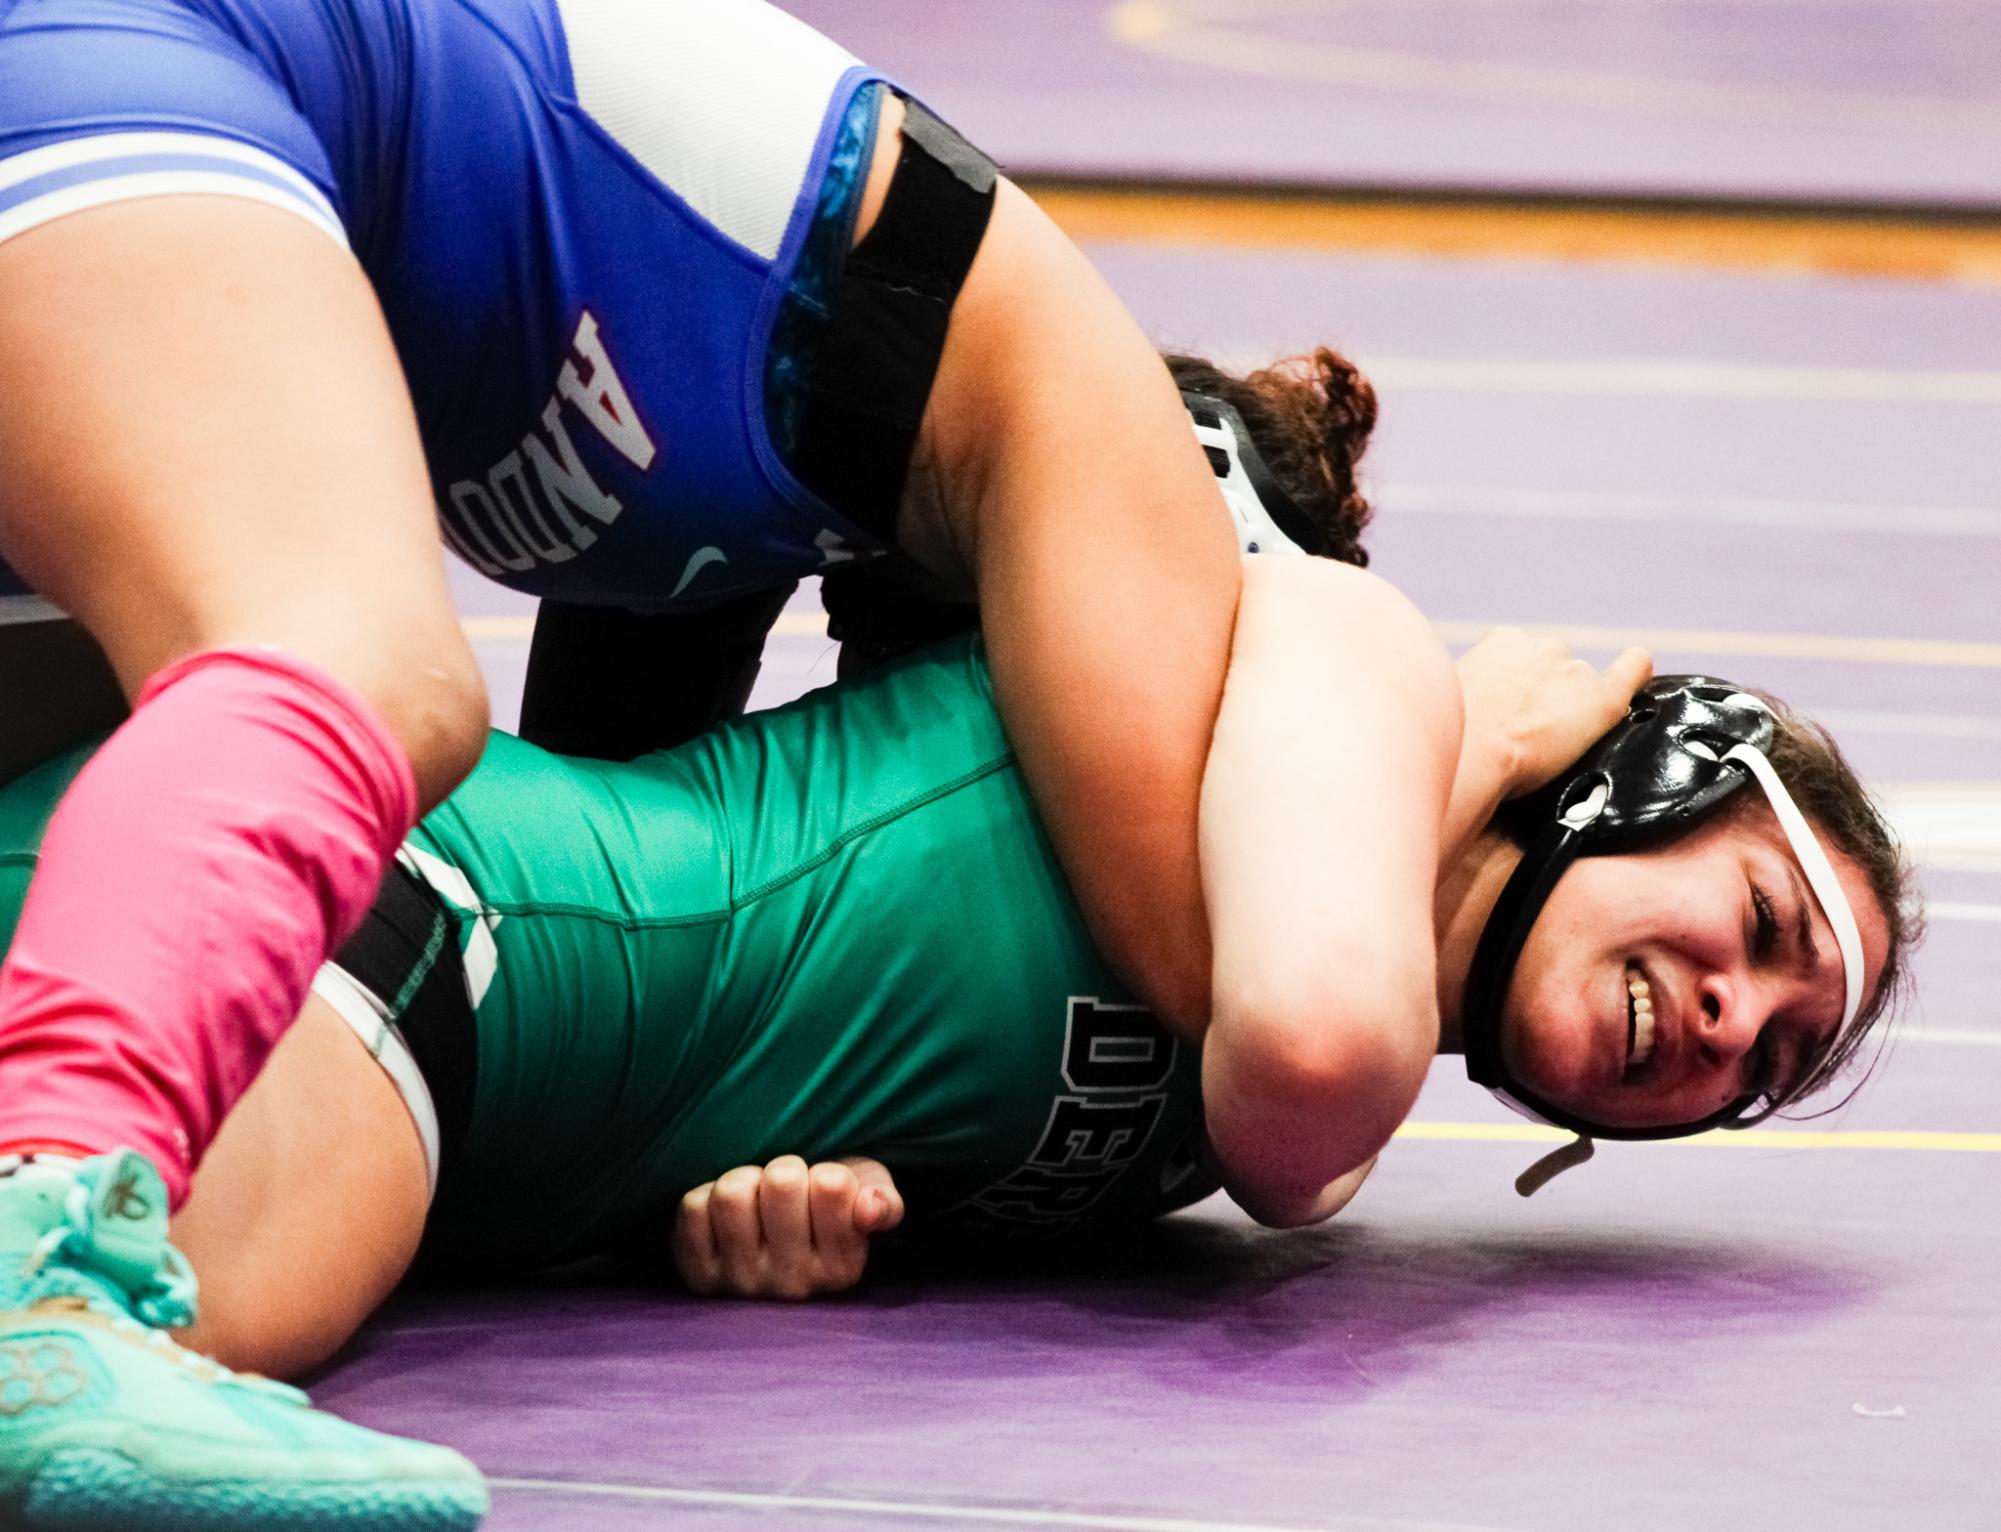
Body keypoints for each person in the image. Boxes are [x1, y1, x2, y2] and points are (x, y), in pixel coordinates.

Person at [0, 0, 1377, 1512]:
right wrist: (1466, 745)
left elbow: (629, 984)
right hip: (129, 64)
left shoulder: (734, 514)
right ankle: (46, 1273)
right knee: (354, 664)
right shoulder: (1081, 410)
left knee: (130, 825)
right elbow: (1250, 1023)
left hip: (130, 134)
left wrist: (795, 1182)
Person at [0, 548, 1918, 1528]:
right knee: (69, 1378)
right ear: (1637, 774)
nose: (1727, 1023)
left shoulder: (1249, 1089)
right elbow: (1311, 1069)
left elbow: (829, 1022)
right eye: (1755, 926)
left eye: (1766, 1056)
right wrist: (1487, 742)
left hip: (465, 1101)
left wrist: (750, 1222)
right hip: (430, 932)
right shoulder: (1357, 660)